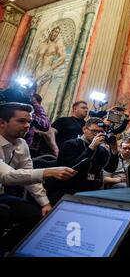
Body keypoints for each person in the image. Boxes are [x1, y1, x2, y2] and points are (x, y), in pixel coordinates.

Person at [0, 102, 76, 252]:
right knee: (2, 211)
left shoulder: (22, 143)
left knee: (34, 215)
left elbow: (29, 175)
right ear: (2, 122)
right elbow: (6, 176)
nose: (27, 126)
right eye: (21, 121)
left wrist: (45, 203)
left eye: (29, 121)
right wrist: (48, 171)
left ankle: (5, 249)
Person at [46, 117, 119, 204]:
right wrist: (91, 148)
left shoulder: (102, 150)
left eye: (100, 132)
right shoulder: (70, 144)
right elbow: (71, 169)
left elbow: (110, 169)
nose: (97, 134)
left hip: (92, 190)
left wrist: (114, 151)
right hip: (69, 188)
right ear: (84, 129)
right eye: (94, 131)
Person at [30, 26, 66, 99]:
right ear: (51, 31)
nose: (55, 34)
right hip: (37, 71)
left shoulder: (57, 45)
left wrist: (52, 68)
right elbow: (35, 59)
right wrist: (31, 71)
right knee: (30, 94)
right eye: (54, 31)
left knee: (39, 97)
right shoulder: (42, 44)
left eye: (57, 32)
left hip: (47, 70)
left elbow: (62, 58)